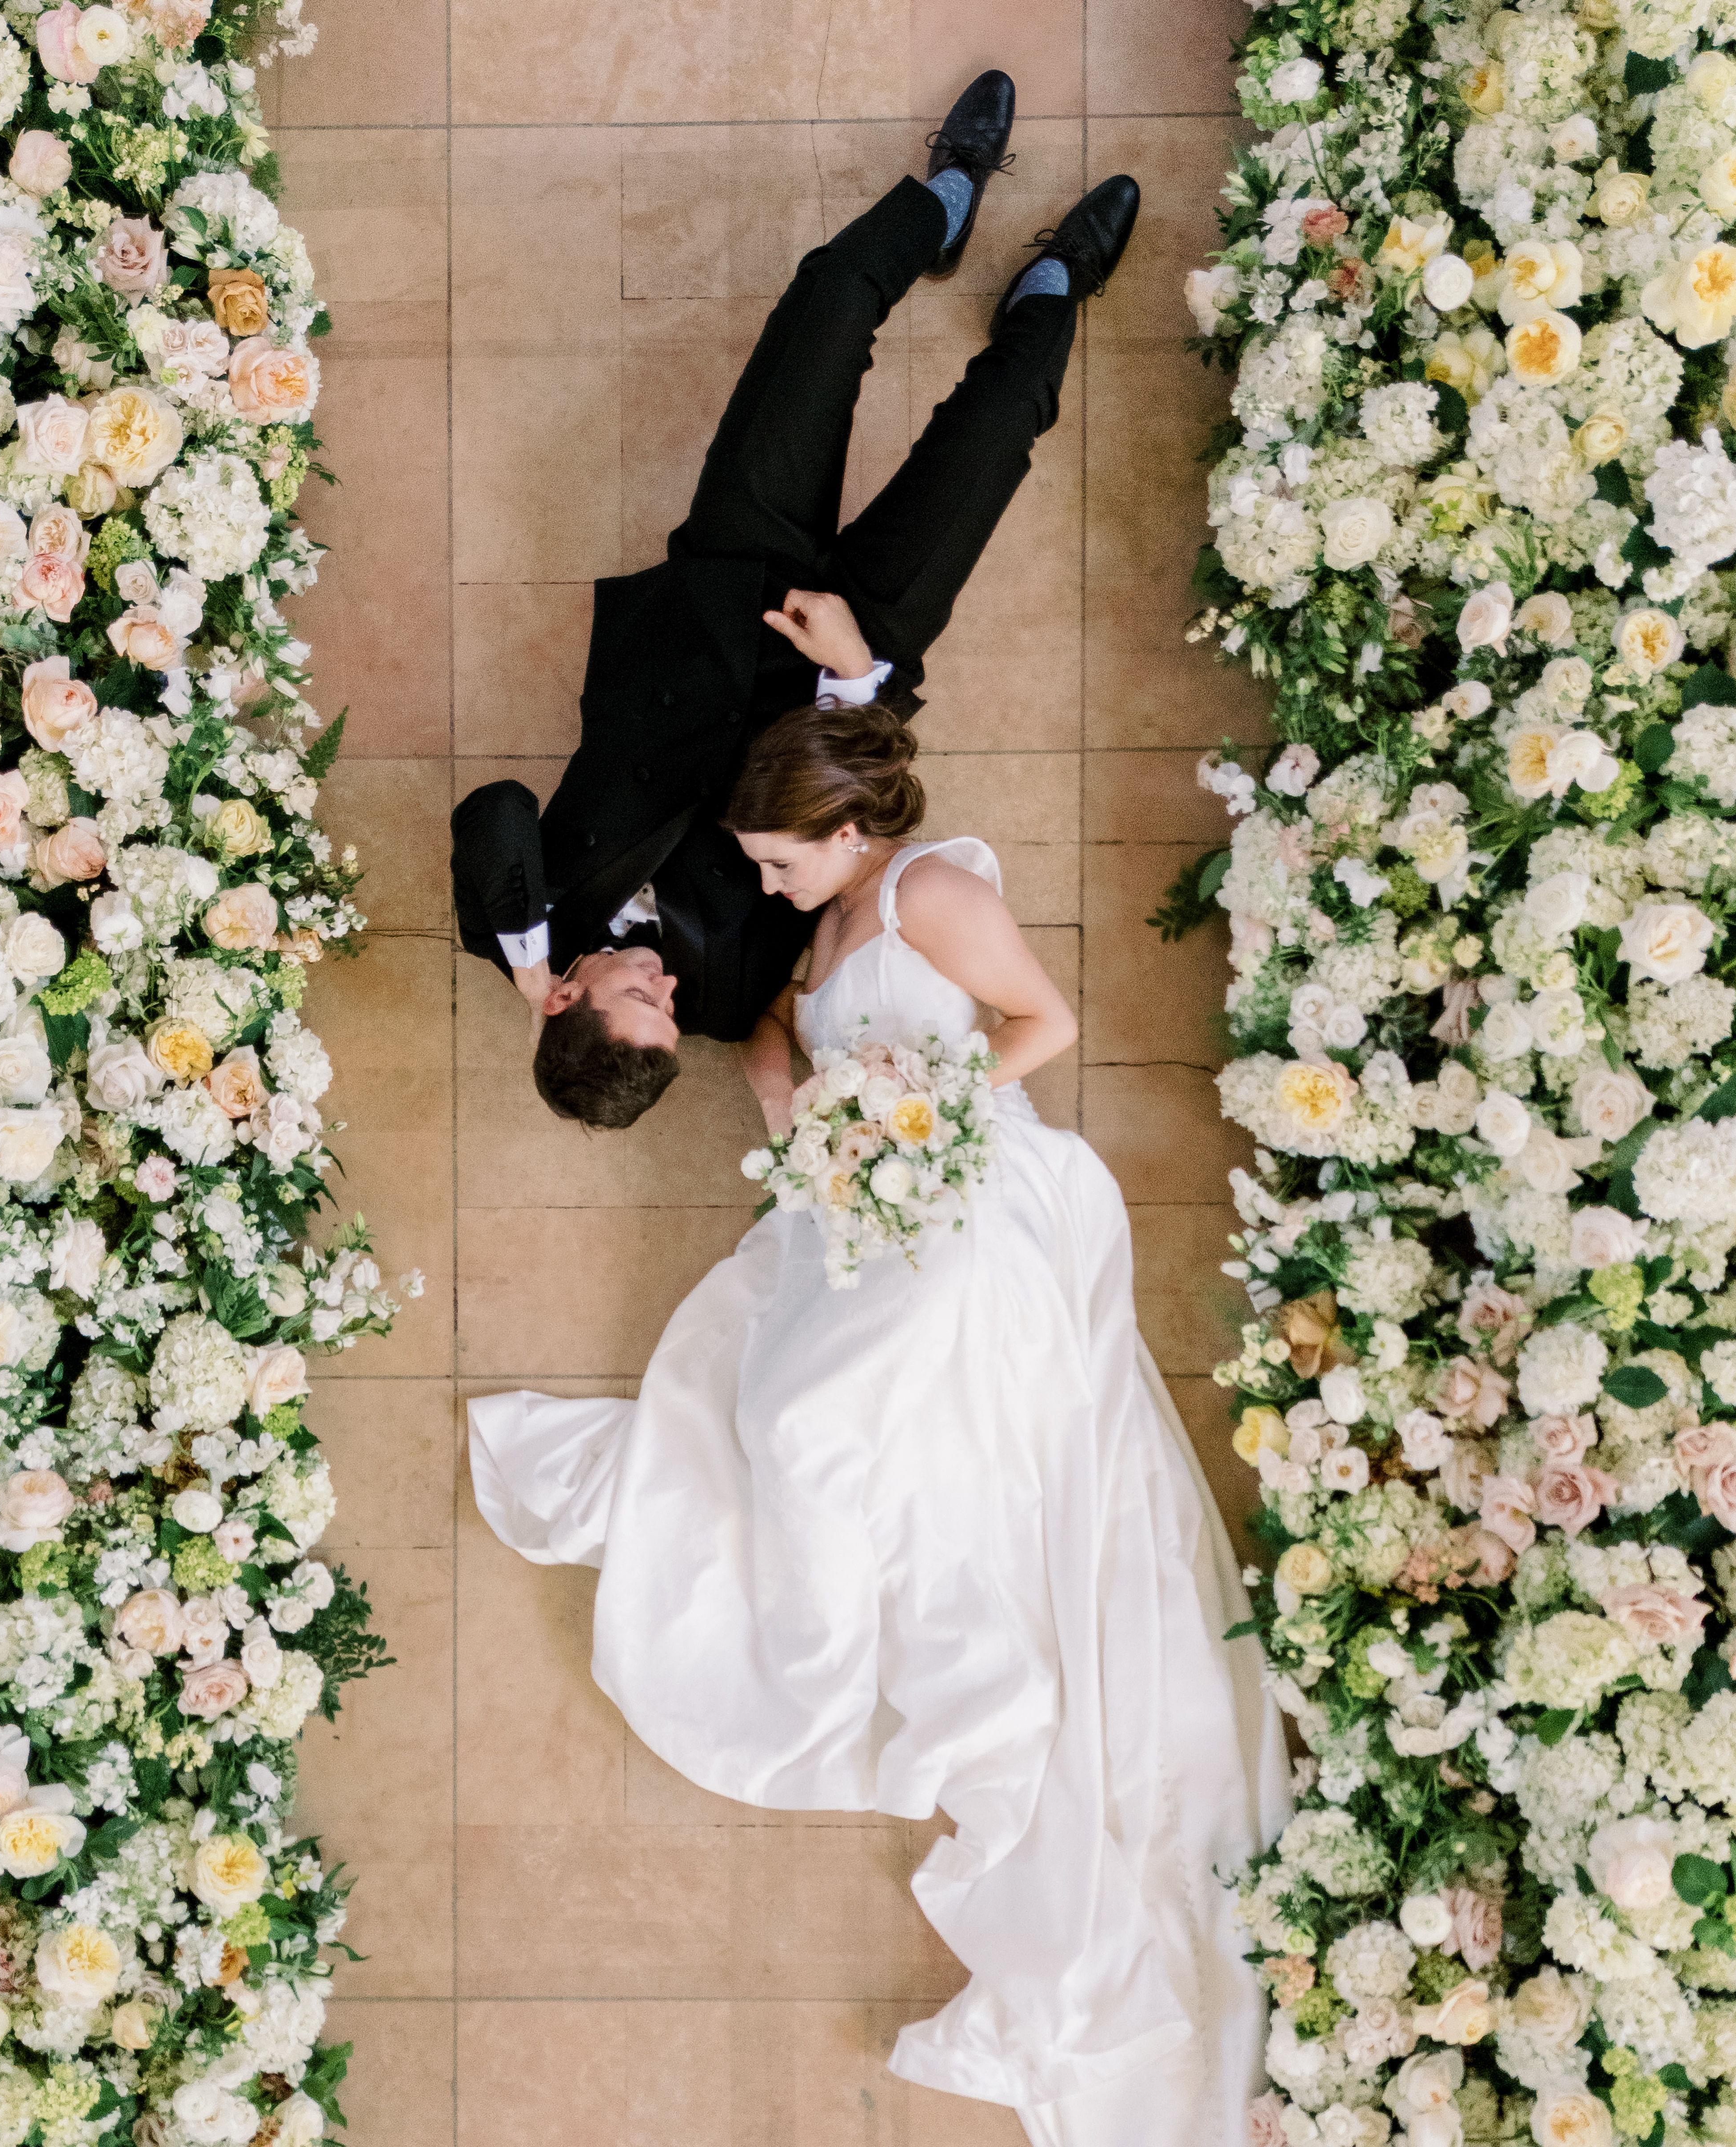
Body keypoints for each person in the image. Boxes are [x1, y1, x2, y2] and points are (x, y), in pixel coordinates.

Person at [466, 702, 1293, 2146]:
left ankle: (909, 1622)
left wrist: (914, 1113)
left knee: (807, 1417)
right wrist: (794, 1101)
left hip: (963, 1181)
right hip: (870, 1182)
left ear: (845, 838)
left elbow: (1045, 1028)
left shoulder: (934, 894)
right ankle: (863, 1578)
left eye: (779, 864)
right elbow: (784, 1035)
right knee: (780, 1406)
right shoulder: (832, 917)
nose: (765, 887)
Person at [449, 66, 1143, 1128]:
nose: (666, 989)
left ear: (565, 997)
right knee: (997, 430)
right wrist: (853, 674)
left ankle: (945, 198)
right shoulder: (728, 1000)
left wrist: (524, 952)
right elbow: (837, 846)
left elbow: (494, 809)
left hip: (724, 586)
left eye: (638, 997)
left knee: (824, 306)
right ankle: (1053, 287)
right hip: (853, 656)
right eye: (668, 1014)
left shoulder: (519, 917)